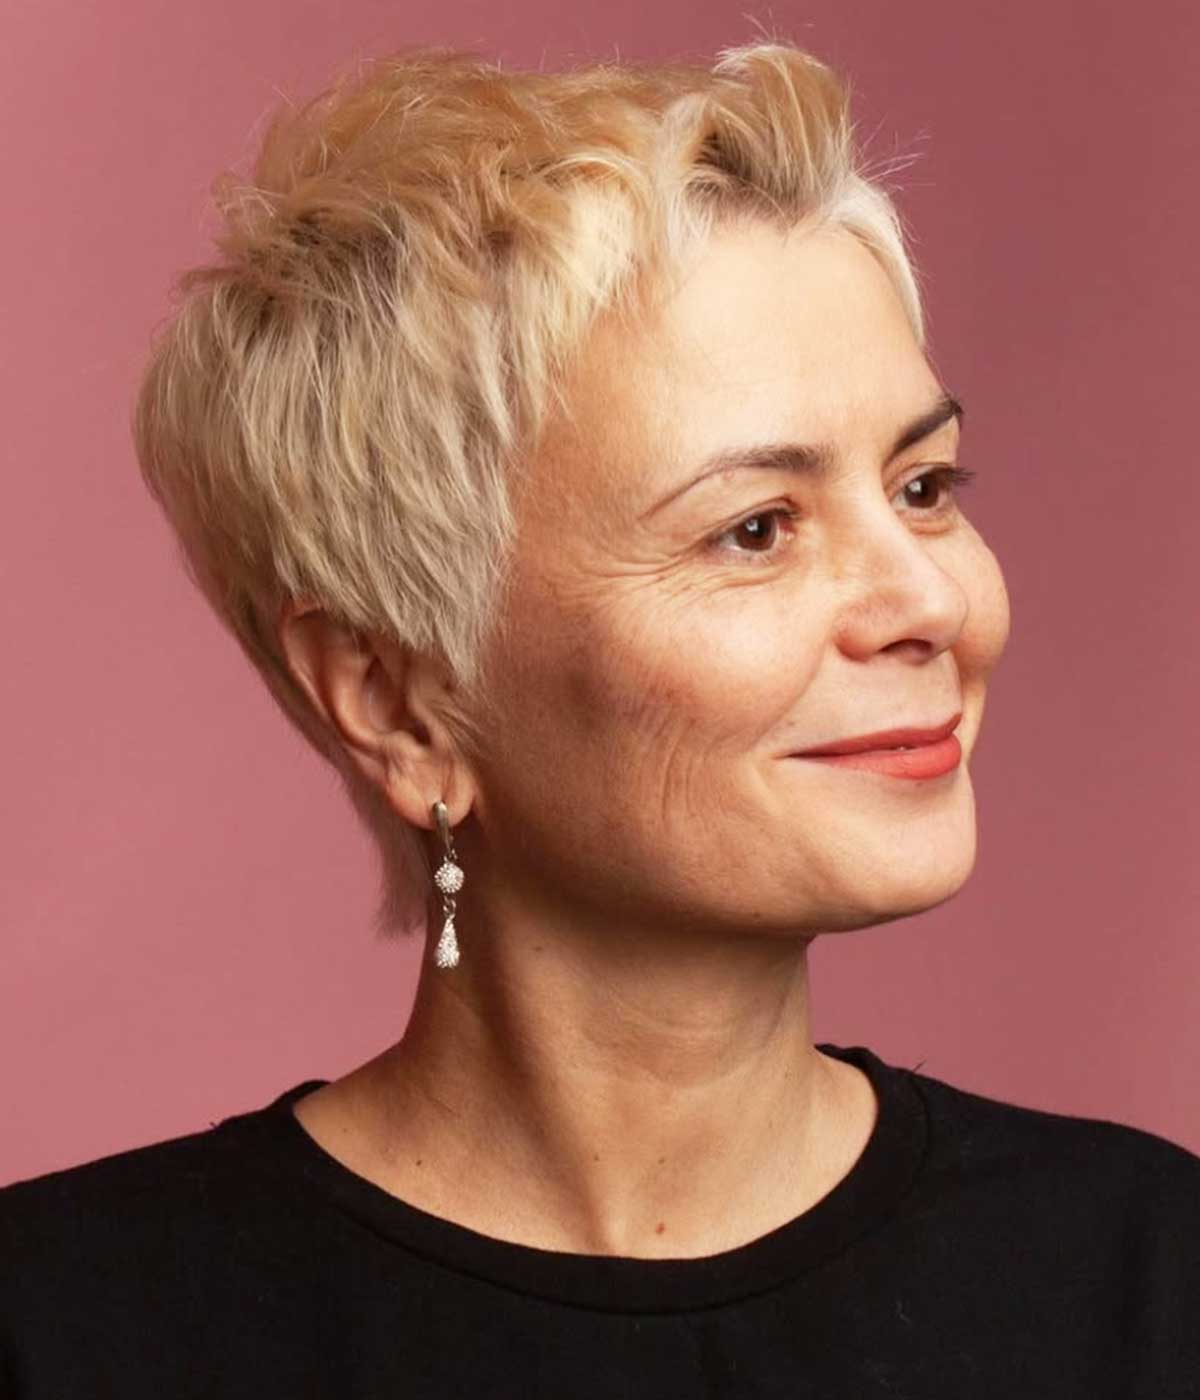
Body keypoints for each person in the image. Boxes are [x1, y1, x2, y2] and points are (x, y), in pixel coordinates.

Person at [1, 38, 1196, 1400]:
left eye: (924, 487)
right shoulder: (61, 1331)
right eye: (757, 529)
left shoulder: (1151, 1278)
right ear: (397, 698)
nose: (932, 600)